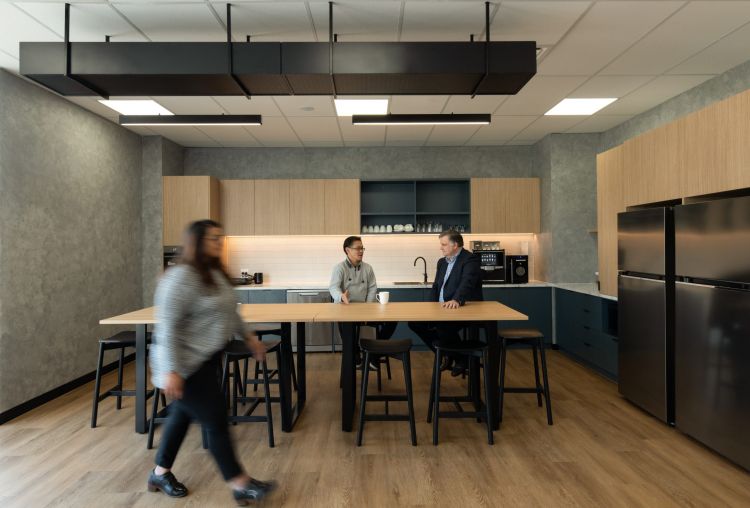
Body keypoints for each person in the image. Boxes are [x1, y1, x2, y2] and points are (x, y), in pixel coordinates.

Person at [147, 219, 277, 504]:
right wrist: (171, 370)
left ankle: (159, 472)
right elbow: (166, 326)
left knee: (181, 416)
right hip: (182, 364)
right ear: (197, 242)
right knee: (216, 418)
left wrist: (250, 337)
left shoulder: (214, 274)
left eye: (221, 238)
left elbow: (231, 311)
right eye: (213, 239)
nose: (219, 243)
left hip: (205, 359)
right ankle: (240, 484)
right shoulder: (181, 277)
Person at [408, 230, 483, 376]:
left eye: (443, 244)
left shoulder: (470, 259)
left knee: (443, 326)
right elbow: (436, 286)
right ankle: (452, 355)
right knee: (415, 322)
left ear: (455, 245)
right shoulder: (442, 262)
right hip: (441, 309)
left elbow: (467, 282)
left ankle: (457, 358)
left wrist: (456, 299)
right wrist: (430, 307)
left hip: (461, 309)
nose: (440, 248)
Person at [329, 236, 397, 361]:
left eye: (362, 248)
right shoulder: (339, 268)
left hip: (365, 309)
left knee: (392, 320)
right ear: (347, 250)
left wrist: (368, 307)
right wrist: (341, 296)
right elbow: (333, 288)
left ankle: (374, 354)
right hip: (345, 310)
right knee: (350, 342)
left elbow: (372, 288)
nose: (361, 251)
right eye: (358, 248)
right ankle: (355, 361)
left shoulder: (368, 268)